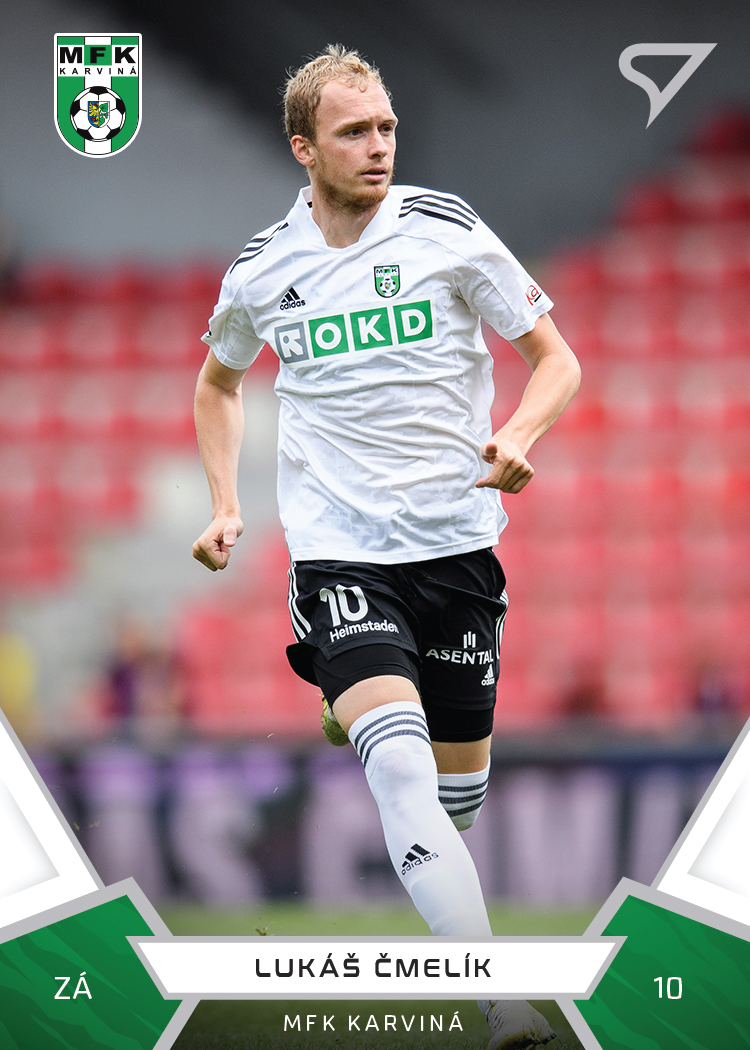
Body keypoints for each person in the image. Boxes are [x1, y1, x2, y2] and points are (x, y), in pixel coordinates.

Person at [193, 45, 580, 1050]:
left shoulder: (447, 229)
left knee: (456, 801)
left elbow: (554, 359)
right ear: (303, 148)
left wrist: (519, 433)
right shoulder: (262, 268)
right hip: (340, 555)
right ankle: (500, 1004)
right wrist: (227, 503)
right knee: (401, 774)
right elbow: (219, 382)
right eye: (355, 132)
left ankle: (354, 702)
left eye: (388, 128)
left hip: (457, 550)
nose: (379, 146)